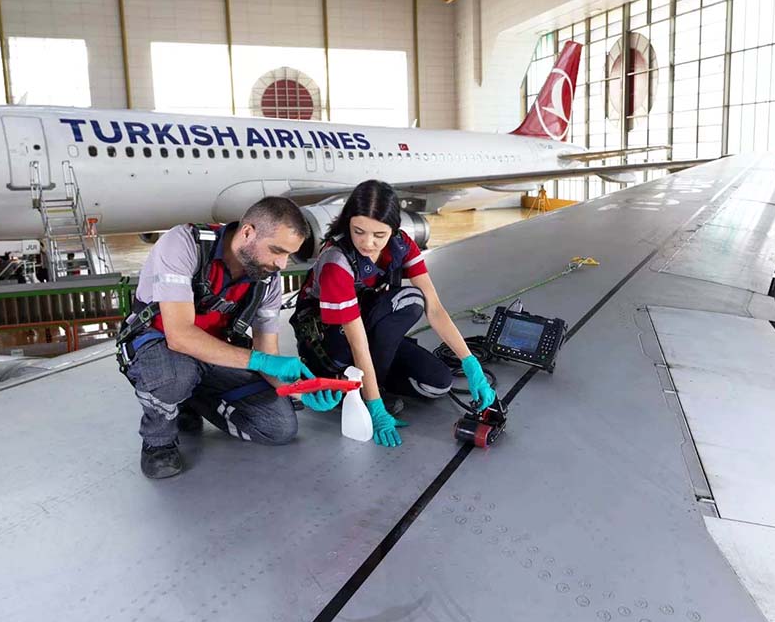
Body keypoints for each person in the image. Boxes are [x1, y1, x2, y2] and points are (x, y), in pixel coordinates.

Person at [116, 197, 325, 479]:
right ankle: (158, 442)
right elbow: (179, 336)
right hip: (162, 346)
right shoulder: (183, 244)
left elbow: (268, 353)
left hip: (216, 354)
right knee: (174, 377)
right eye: (277, 250)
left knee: (279, 428)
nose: (282, 264)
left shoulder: (268, 279)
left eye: (289, 254)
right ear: (248, 232)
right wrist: (260, 361)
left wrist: (298, 388)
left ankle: (189, 398)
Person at [291, 180, 495, 448]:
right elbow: (357, 339)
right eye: (359, 231)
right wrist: (374, 406)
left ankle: (369, 383)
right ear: (348, 223)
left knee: (439, 383)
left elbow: (434, 307)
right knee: (408, 299)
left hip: (371, 332)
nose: (368, 243)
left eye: (379, 235)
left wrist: (470, 364)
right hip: (331, 345)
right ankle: (356, 387)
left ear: (394, 229)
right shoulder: (336, 262)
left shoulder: (401, 245)